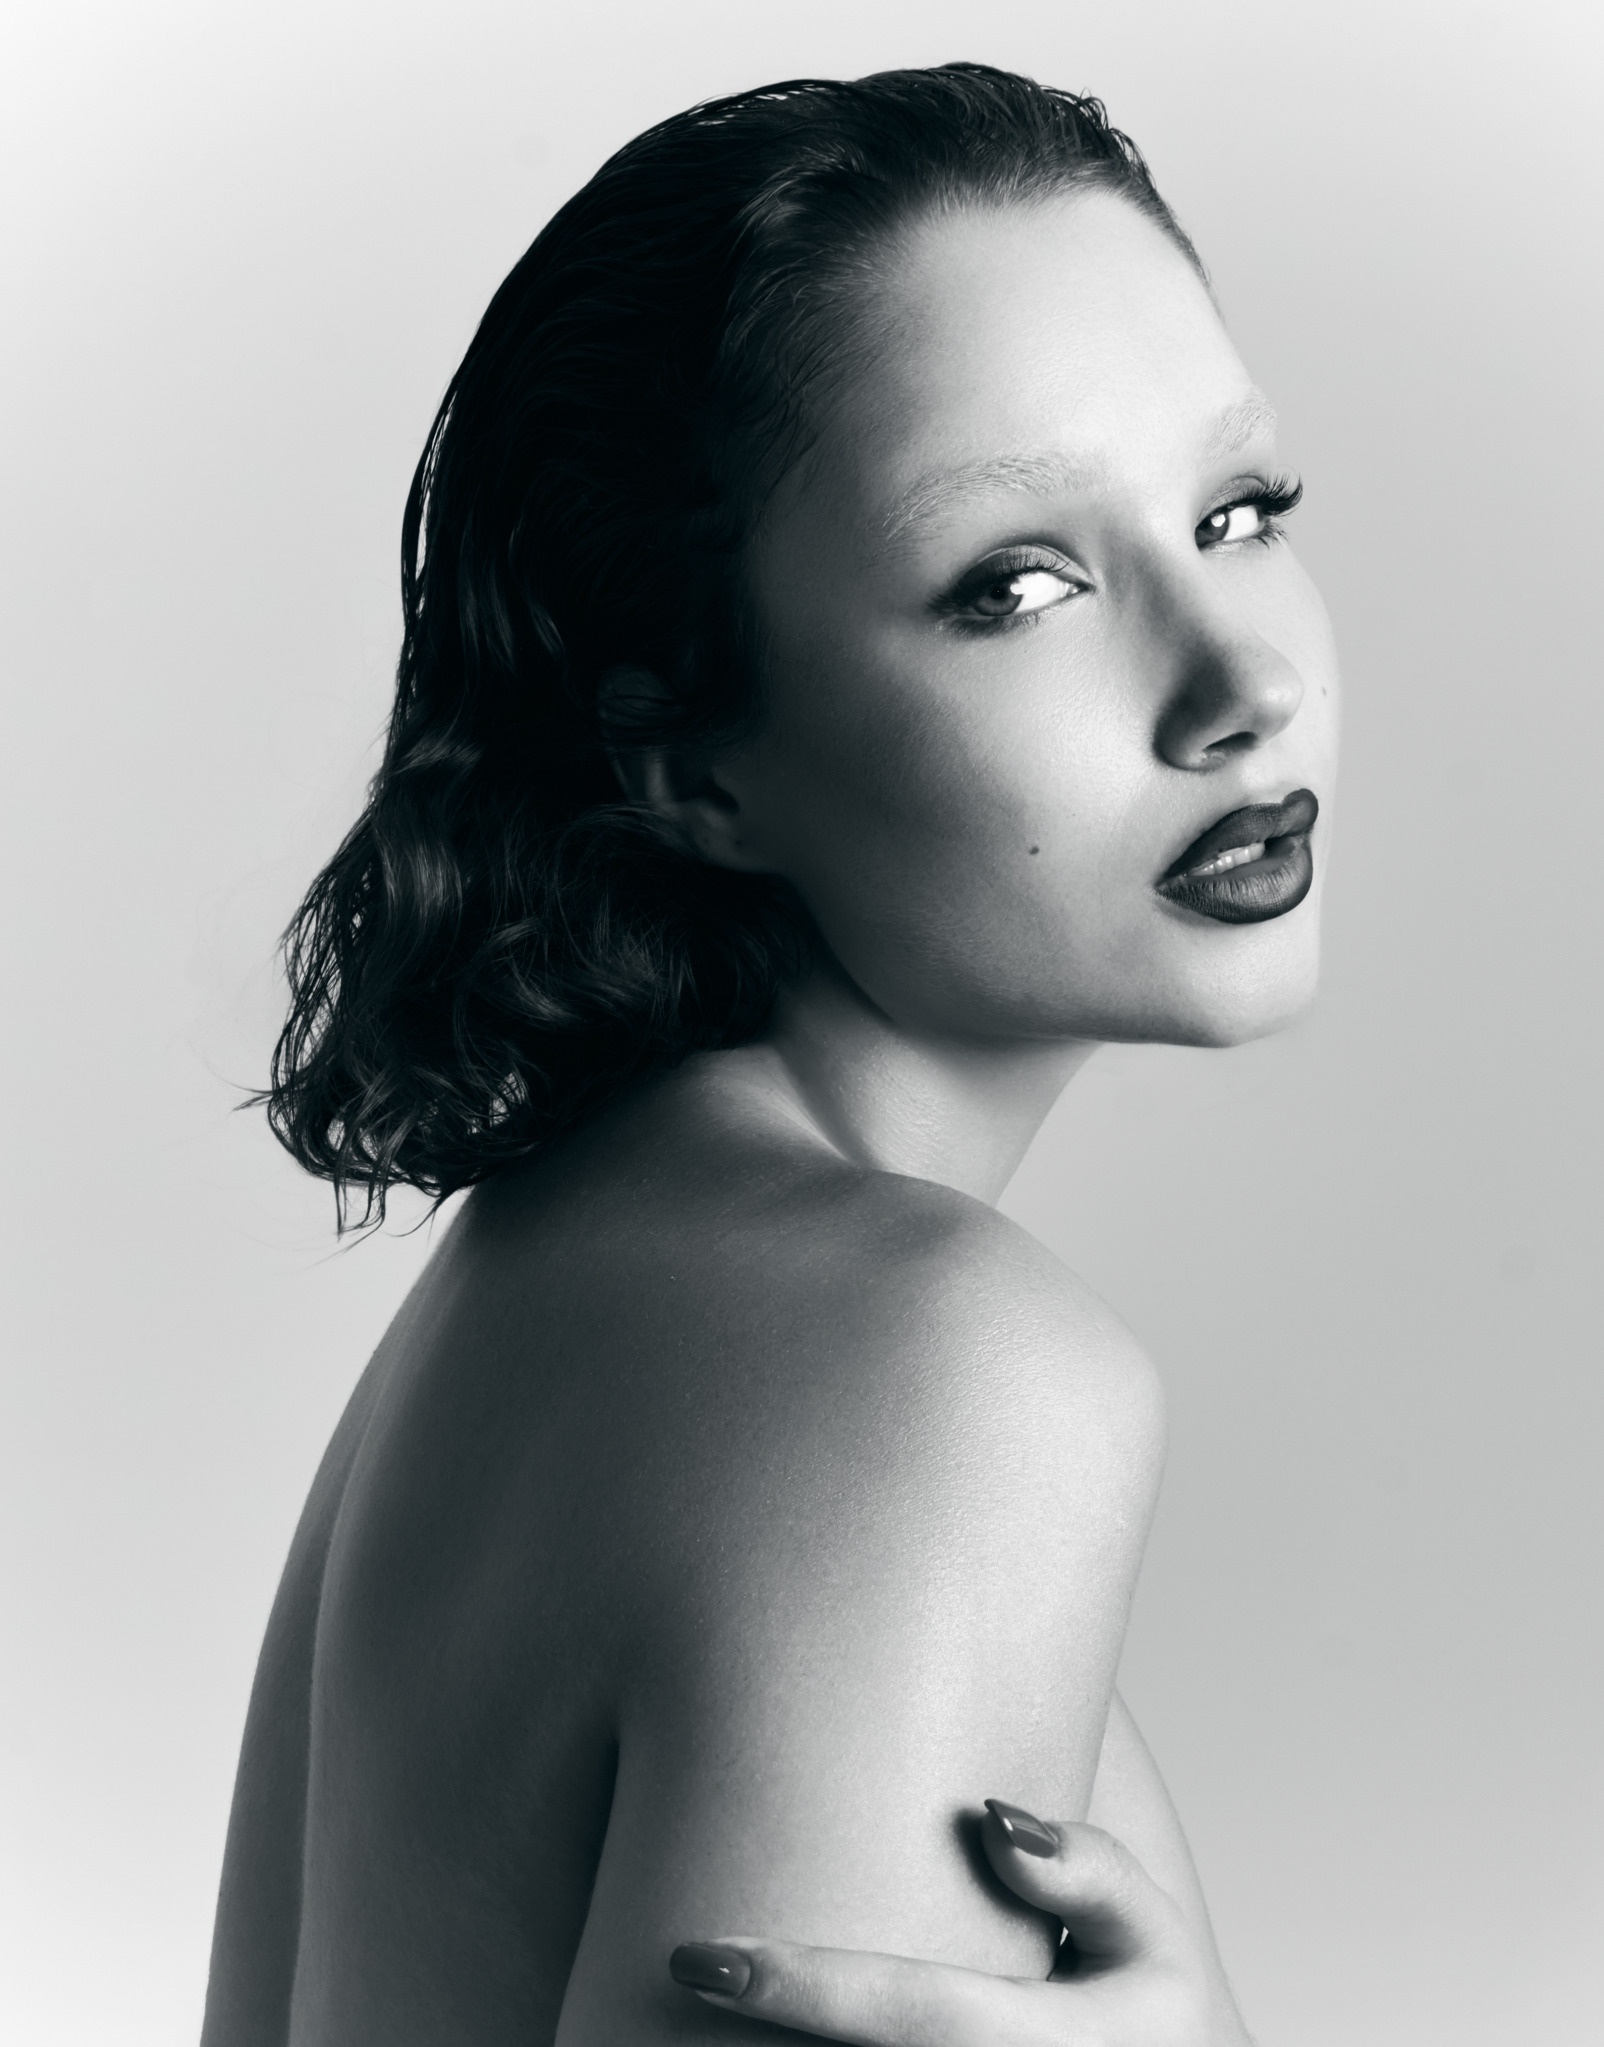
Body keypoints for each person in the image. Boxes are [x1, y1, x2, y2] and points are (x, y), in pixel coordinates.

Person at [202, 62, 1337, 2045]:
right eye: (1015, 588)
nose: (1242, 684)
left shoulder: (560, 1275)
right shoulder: (924, 1370)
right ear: (693, 761)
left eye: (1232, 513)